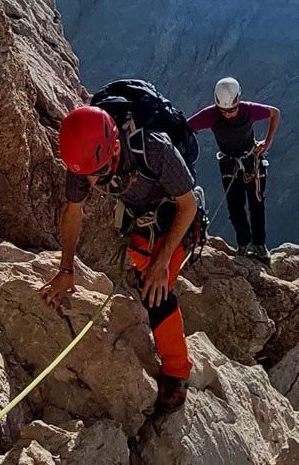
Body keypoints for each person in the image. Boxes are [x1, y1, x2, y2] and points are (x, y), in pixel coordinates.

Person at [38, 104, 202, 410]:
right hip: (141, 218)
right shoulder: (84, 161)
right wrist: (65, 269)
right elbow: (73, 212)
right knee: (146, 277)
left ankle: (176, 373)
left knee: (156, 291)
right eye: (86, 177)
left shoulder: (154, 149)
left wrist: (162, 262)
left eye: (97, 174)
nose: (91, 183)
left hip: (176, 214)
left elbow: (188, 205)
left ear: (115, 148)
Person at [188, 77, 280, 263]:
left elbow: (274, 112)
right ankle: (244, 243)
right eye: (224, 111)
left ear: (238, 100)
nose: (228, 114)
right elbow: (186, 127)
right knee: (235, 206)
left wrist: (268, 141)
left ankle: (259, 245)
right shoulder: (213, 114)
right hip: (230, 162)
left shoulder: (247, 109)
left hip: (250, 160)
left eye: (232, 110)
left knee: (256, 203)